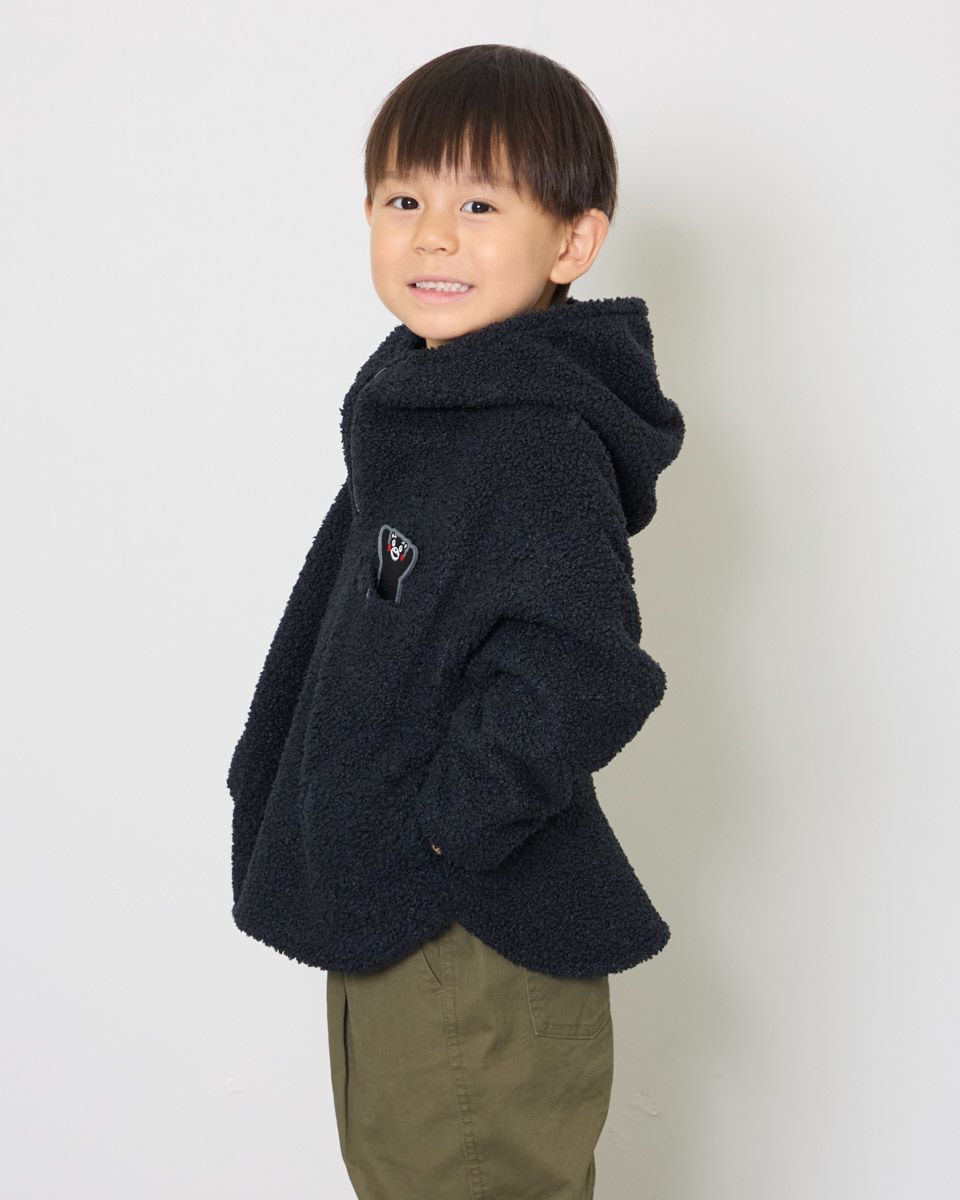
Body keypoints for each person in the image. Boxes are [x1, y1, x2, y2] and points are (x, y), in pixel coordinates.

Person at [226, 43, 685, 1200]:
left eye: (480, 205)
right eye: (404, 202)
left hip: (471, 927)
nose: (434, 236)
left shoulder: (528, 438)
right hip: (397, 910)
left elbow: (581, 665)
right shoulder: (431, 409)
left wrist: (444, 830)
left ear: (572, 243)